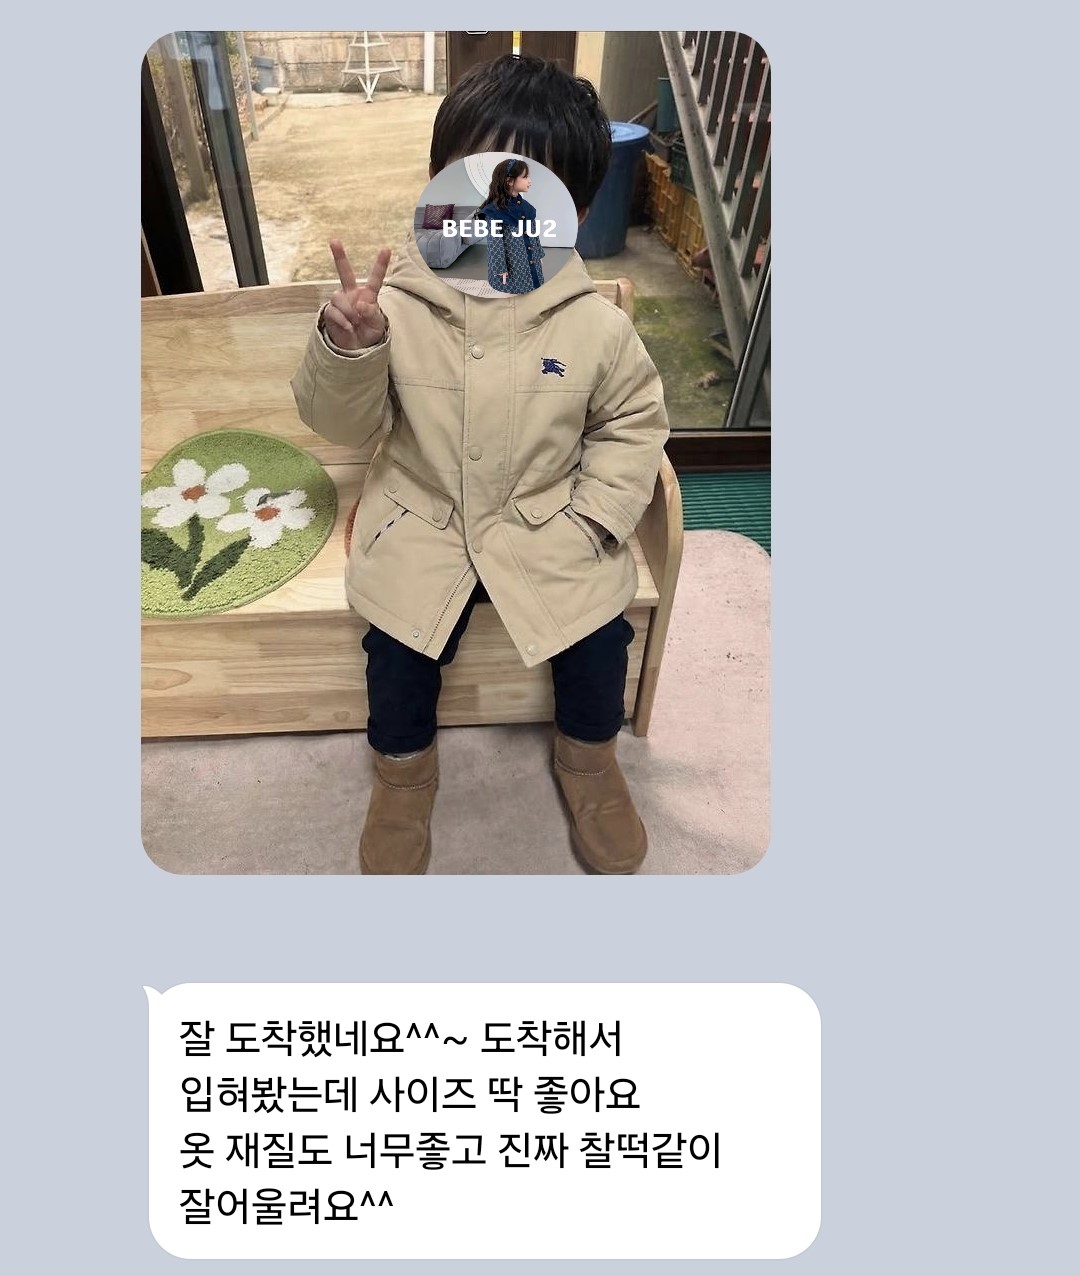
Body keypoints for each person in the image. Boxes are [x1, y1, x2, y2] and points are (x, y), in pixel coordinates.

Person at [290, 53, 669, 875]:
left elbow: (633, 424)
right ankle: (402, 775)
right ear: (441, 185)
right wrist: (352, 349)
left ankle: (589, 762)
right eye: (478, 181)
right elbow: (342, 424)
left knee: (600, 635)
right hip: (423, 518)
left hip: (549, 520)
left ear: (572, 211)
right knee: (397, 648)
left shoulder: (595, 325)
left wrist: (597, 520)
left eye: (527, 192)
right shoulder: (396, 305)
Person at [472, 157, 545, 293]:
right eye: (525, 177)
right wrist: (500, 268)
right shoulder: (494, 210)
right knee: (513, 292)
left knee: (533, 290)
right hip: (513, 263)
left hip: (530, 260)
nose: (529, 181)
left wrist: (538, 254)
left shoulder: (527, 208)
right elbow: (495, 243)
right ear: (509, 181)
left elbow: (534, 233)